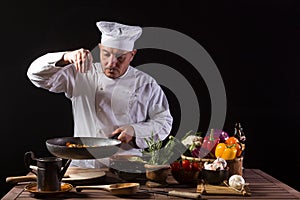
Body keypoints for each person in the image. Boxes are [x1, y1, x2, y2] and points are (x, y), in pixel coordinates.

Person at [27, 21, 173, 168]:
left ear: (132, 55)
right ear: (100, 48)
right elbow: (35, 74)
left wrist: (135, 131)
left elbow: (164, 122)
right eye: (106, 54)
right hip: (83, 166)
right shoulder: (81, 74)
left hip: (126, 167)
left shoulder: (146, 84)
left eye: (120, 57)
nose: (111, 63)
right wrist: (66, 56)